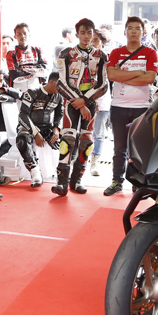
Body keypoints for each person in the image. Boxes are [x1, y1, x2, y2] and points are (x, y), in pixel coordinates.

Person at [103, 16, 157, 196]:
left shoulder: (150, 52)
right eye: (130, 28)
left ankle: (138, 184)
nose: (134, 31)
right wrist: (138, 73)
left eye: (137, 28)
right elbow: (111, 75)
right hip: (118, 105)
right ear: (125, 31)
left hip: (142, 107)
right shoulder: (116, 52)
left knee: (139, 148)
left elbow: (149, 78)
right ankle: (116, 182)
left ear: (143, 32)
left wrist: (123, 74)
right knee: (119, 148)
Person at [54, 18, 108, 195]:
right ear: (76, 34)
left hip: (90, 104)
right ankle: (61, 182)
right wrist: (78, 101)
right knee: (67, 140)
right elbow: (61, 83)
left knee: (87, 142)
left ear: (94, 34)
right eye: (83, 32)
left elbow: (103, 85)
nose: (86, 36)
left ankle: (76, 180)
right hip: (71, 103)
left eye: (89, 32)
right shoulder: (66, 53)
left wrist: (84, 101)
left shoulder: (101, 55)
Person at [16, 73, 65, 188]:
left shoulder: (59, 96)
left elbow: (59, 114)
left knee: (68, 140)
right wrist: (35, 133)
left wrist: (56, 128)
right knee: (22, 140)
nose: (62, 90)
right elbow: (23, 115)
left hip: (47, 127)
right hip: (28, 126)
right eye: (60, 86)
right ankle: (35, 172)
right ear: (52, 82)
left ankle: (62, 174)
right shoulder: (32, 92)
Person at [90, 29, 113, 177]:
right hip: (85, 101)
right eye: (91, 39)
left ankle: (95, 161)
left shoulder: (108, 59)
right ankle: (78, 160)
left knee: (99, 134)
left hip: (103, 102)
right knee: (83, 132)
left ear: (103, 43)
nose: (93, 42)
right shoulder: (83, 57)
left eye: (96, 40)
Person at [5, 22, 48, 88]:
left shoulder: (37, 50)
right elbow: (15, 75)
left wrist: (23, 68)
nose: (23, 36)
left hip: (36, 87)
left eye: (25, 33)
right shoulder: (11, 53)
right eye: (19, 34)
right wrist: (35, 72)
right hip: (18, 88)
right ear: (15, 36)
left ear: (29, 34)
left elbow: (44, 70)